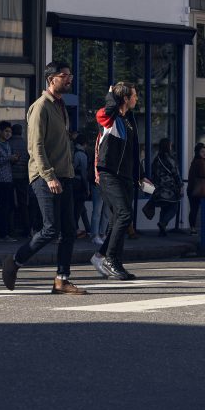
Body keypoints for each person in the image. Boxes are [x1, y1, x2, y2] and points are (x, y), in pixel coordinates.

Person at [2, 61, 85, 295]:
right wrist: (49, 176)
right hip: (44, 176)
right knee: (51, 229)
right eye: (64, 75)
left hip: (64, 175)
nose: (69, 78)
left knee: (69, 230)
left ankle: (61, 280)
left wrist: (67, 173)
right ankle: (14, 261)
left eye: (70, 74)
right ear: (51, 79)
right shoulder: (40, 107)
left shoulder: (60, 106)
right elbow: (35, 146)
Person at [90, 82, 141, 281]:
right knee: (124, 214)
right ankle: (110, 259)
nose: (137, 99)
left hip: (126, 176)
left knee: (117, 219)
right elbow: (103, 113)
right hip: (108, 173)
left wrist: (140, 174)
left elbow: (133, 151)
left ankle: (102, 256)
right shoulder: (109, 118)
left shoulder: (128, 119)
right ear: (125, 99)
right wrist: (111, 95)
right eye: (134, 96)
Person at [0, 120, 18, 243]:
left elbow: (7, 160)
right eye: (6, 131)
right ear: (0, 131)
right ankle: (2, 233)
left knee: (10, 205)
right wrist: (8, 158)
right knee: (5, 206)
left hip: (9, 178)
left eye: (10, 132)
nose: (8, 134)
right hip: (0, 179)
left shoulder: (7, 144)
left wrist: (14, 159)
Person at [150, 138, 183, 236]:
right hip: (169, 189)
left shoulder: (156, 159)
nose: (171, 147)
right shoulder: (170, 159)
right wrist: (180, 185)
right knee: (174, 207)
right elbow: (176, 173)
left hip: (158, 189)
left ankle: (162, 230)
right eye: (170, 145)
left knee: (164, 208)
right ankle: (163, 223)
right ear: (167, 146)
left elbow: (153, 174)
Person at [8, 123, 31, 236]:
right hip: (23, 177)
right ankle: (26, 229)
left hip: (11, 176)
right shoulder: (25, 144)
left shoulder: (9, 143)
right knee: (23, 203)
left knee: (10, 203)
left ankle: (11, 229)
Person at [186, 143, 205, 236]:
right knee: (203, 209)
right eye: (202, 151)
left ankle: (192, 228)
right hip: (199, 189)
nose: (204, 153)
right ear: (197, 152)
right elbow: (203, 175)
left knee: (193, 209)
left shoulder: (194, 161)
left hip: (192, 188)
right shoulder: (201, 162)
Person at [72, 133, 91, 238]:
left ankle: (87, 229)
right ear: (84, 144)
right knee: (78, 208)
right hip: (79, 184)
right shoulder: (82, 154)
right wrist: (87, 188)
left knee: (79, 208)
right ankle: (75, 230)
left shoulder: (73, 151)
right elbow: (84, 174)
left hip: (71, 183)